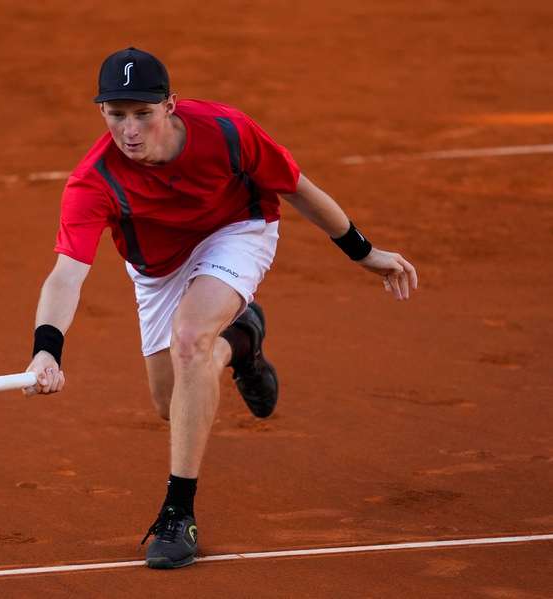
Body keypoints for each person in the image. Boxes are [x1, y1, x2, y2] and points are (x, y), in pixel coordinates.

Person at [23, 47, 418, 569]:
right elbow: (65, 276)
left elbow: (298, 189)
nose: (130, 130)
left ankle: (176, 514)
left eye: (143, 113)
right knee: (172, 403)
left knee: (190, 340)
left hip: (235, 232)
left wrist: (365, 253)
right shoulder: (94, 180)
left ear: (170, 105)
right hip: (157, 268)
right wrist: (46, 351)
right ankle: (243, 342)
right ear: (102, 113)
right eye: (117, 115)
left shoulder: (227, 131)